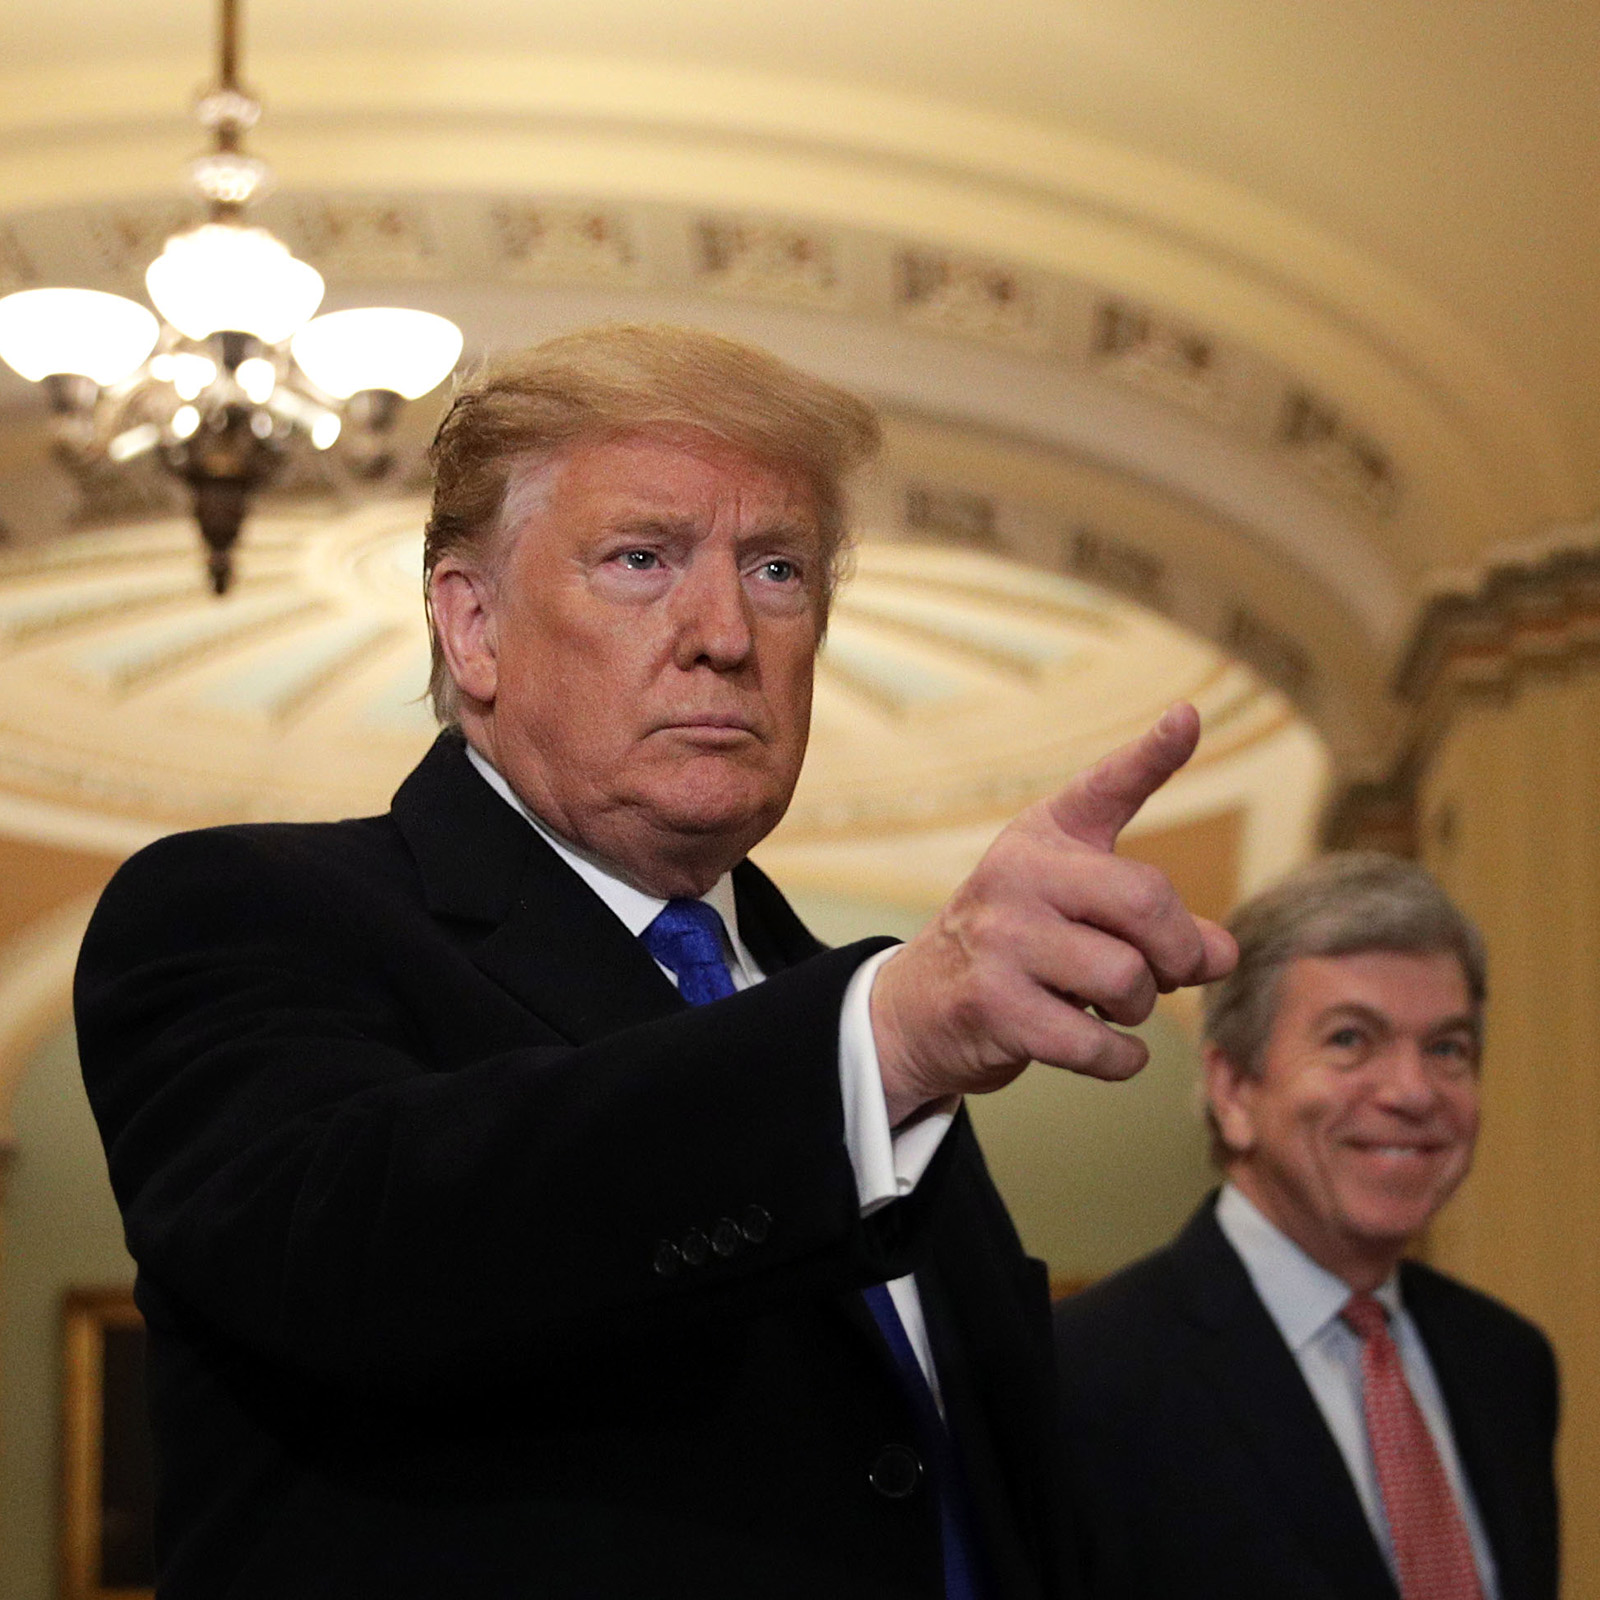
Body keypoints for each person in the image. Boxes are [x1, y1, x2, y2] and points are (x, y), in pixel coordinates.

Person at [75, 322, 1234, 1599]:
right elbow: (377, 1256)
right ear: (473, 627)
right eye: (642, 559)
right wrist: (881, 1041)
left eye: (779, 569)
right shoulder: (241, 913)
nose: (726, 633)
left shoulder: (828, 994)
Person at [1057, 852, 1557, 1600]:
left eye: (1447, 1048)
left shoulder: (1508, 1363)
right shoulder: (1084, 1376)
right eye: (1351, 1039)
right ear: (1233, 1088)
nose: (1414, 1091)